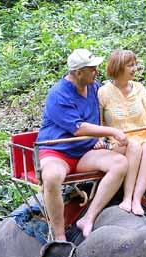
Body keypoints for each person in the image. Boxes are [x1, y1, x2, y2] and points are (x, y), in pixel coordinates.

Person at [37, 48, 128, 240]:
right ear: (78, 72)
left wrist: (102, 138)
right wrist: (111, 132)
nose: (96, 72)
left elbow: (105, 113)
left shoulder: (95, 88)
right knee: (52, 177)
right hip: (57, 152)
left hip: (84, 151)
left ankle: (89, 217)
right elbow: (78, 128)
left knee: (120, 163)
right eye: (92, 69)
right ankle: (60, 236)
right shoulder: (58, 94)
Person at [98, 49, 146, 216]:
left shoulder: (140, 88)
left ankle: (137, 198)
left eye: (135, 64)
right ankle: (126, 197)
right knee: (133, 146)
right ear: (119, 67)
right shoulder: (104, 92)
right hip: (120, 143)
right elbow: (99, 124)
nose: (135, 68)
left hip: (145, 138)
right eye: (130, 65)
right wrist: (99, 139)